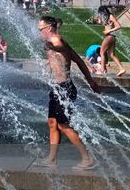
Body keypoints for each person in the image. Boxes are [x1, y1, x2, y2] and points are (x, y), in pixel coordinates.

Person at [37, 15, 102, 169]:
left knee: (63, 125)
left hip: (65, 88)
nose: (39, 32)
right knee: (52, 123)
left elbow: (58, 46)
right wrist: (91, 81)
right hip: (56, 88)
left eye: (41, 29)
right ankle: (52, 159)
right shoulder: (55, 42)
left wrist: (54, 48)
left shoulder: (56, 41)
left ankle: (87, 158)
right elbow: (79, 61)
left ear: (49, 28)